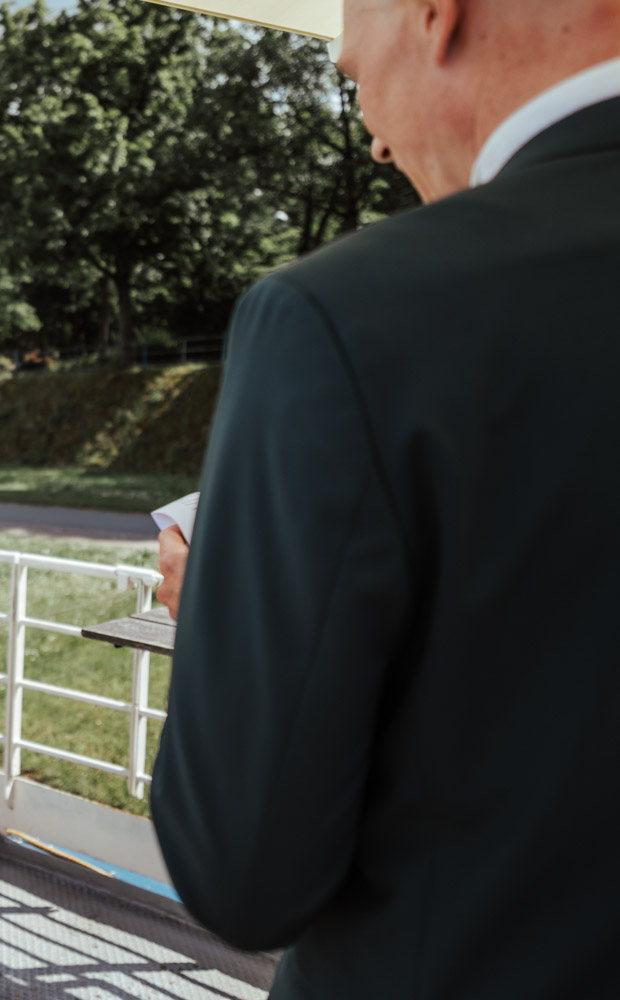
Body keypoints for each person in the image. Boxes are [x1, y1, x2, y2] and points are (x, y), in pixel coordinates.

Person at [148, 1, 620, 996]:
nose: (371, 138)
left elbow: (244, 874)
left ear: (433, 15)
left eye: (353, 79)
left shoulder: (347, 316)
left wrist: (221, 618)